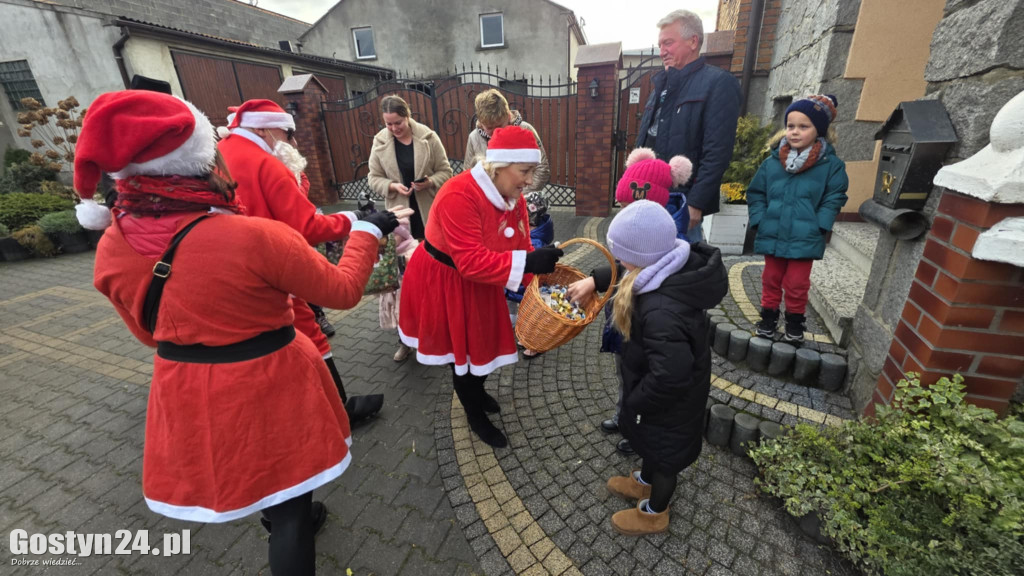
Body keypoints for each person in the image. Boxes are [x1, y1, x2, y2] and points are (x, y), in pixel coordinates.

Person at [73, 90, 403, 574]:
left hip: (184, 387)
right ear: (203, 162)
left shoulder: (111, 248)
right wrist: (368, 231)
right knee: (292, 508)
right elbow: (342, 290)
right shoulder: (254, 236)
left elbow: (147, 335)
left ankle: (279, 517)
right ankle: (291, 525)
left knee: (250, 479)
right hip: (270, 380)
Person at [218, 98, 398, 423]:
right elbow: (307, 228)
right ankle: (338, 410)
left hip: (232, 271)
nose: (291, 140)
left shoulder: (222, 154)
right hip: (275, 267)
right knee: (309, 330)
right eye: (287, 132)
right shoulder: (266, 163)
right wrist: (357, 221)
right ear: (263, 127)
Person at [398, 126, 563, 448]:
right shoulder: (459, 194)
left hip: (483, 278)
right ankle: (474, 412)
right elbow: (470, 262)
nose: (530, 180)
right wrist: (528, 264)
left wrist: (539, 285)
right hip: (445, 280)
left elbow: (521, 241)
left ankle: (477, 390)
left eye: (533, 171)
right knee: (463, 353)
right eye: (525, 171)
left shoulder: (511, 195)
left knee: (483, 344)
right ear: (499, 166)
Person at [594, 201, 727, 535]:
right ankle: (645, 481)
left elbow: (670, 374)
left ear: (640, 256)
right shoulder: (658, 274)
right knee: (654, 446)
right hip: (663, 399)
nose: (618, 262)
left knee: (665, 457)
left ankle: (655, 511)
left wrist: (637, 400)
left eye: (620, 254)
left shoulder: (662, 311)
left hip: (669, 403)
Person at [569, 149, 692, 455]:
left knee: (642, 378)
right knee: (626, 372)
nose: (623, 210)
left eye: (627, 206)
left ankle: (638, 427)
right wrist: (596, 280)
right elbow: (623, 265)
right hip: (630, 323)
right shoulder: (643, 227)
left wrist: (598, 281)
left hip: (646, 328)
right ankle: (625, 416)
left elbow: (628, 268)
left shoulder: (668, 240)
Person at [747, 94, 849, 343]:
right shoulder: (772, 163)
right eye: (790, 126)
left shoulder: (830, 165)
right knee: (771, 278)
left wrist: (820, 225)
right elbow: (757, 192)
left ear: (819, 130)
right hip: (773, 231)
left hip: (805, 236)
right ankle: (768, 318)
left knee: (796, 283)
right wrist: (760, 219)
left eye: (803, 127)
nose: (794, 132)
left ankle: (794, 321)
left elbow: (834, 196)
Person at [635, 9, 741, 242]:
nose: (662, 51)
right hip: (648, 195)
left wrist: (696, 202)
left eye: (669, 43)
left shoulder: (718, 84)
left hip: (681, 202)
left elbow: (718, 152)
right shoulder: (662, 85)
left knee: (681, 272)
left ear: (693, 41)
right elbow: (644, 140)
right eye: (660, 44)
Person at [368, 94, 453, 361]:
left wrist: (429, 182)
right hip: (399, 222)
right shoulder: (380, 141)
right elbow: (373, 178)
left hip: (428, 218)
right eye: (388, 124)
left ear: (408, 115)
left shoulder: (429, 137)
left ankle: (434, 332)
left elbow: (447, 171)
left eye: (398, 123)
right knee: (401, 284)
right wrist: (392, 186)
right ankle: (405, 338)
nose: (393, 129)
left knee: (430, 278)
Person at [464, 89, 550, 193]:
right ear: (481, 123)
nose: (496, 132)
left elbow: (542, 169)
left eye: (500, 125)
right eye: (490, 128)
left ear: (508, 116)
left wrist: (517, 195)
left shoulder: (526, 130)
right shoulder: (474, 138)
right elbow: (468, 174)